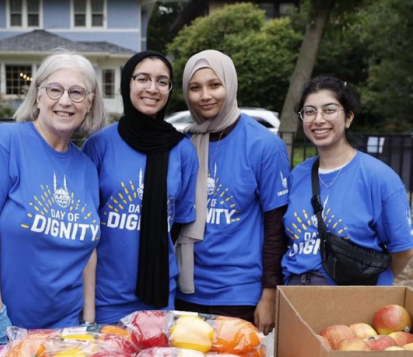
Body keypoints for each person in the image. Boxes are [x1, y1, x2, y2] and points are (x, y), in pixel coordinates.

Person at [0, 50, 106, 346]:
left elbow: (88, 250)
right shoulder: (6, 142)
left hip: (64, 335)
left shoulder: (87, 168)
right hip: (4, 330)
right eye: (55, 89)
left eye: (77, 92)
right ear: (38, 95)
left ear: (90, 102)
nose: (65, 101)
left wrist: (89, 320)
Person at [174, 50, 290, 335]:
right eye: (195, 87)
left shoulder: (263, 145)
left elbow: (276, 226)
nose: (205, 95)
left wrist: (269, 292)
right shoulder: (182, 145)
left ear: (230, 84)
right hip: (185, 293)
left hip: (240, 296)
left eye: (215, 84)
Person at [81, 50, 198, 324]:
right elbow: (82, 224)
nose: (152, 88)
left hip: (159, 295)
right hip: (105, 296)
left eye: (162, 81)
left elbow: (178, 221)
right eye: (142, 78)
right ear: (127, 84)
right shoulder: (99, 145)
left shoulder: (182, 150)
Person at [282, 75, 413, 286]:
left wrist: (368, 286)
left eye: (329, 109)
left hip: (350, 302)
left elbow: (403, 250)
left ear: (349, 117)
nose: (318, 119)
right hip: (295, 296)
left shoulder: (379, 177)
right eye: (309, 111)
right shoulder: (297, 174)